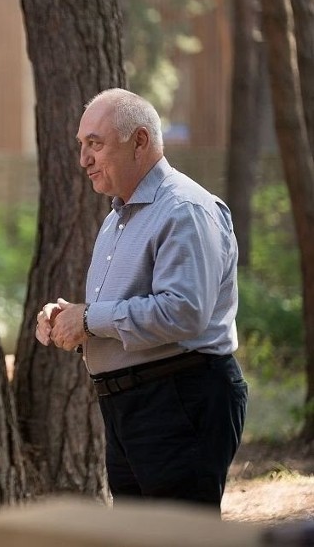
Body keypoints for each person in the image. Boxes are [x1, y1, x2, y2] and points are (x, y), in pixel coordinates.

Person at [35, 88, 248, 513]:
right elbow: (123, 314)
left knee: (179, 541)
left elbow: (183, 313)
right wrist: (70, 321)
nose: (84, 159)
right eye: (81, 145)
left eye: (95, 143)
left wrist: (90, 319)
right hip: (130, 406)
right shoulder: (117, 218)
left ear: (140, 141)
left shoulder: (184, 209)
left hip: (179, 399)